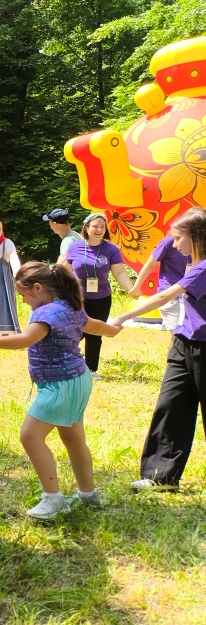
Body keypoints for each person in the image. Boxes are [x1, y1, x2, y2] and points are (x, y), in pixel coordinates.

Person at [0, 262, 119, 519]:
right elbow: (93, 326)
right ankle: (88, 494)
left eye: (23, 294)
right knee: (74, 439)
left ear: (38, 288)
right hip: (77, 379)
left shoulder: (46, 313)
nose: (23, 300)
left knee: (30, 436)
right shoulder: (70, 306)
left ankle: (53, 499)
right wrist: (113, 329)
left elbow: (26, 339)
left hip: (59, 384)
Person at [108, 207, 206, 491]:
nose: (173, 245)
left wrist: (123, 317)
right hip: (183, 342)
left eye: (178, 238)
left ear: (196, 237)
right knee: (170, 406)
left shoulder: (203, 268)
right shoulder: (195, 264)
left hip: (203, 347)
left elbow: (165, 296)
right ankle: (160, 477)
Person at [59, 213, 132, 378]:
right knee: (76, 331)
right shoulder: (75, 247)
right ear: (86, 227)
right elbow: (66, 271)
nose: (99, 230)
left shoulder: (111, 249)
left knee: (95, 333)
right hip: (77, 298)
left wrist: (130, 289)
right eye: (95, 226)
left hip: (101, 298)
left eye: (102, 227)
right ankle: (66, 361)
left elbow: (120, 273)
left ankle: (91, 370)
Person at [129, 233, 191, 331]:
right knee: (177, 334)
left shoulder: (197, 242)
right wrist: (136, 287)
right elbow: (150, 264)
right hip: (169, 292)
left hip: (189, 293)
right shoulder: (168, 242)